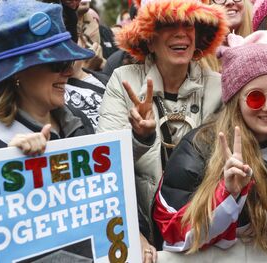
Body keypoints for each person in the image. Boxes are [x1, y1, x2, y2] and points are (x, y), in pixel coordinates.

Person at [154, 42, 267, 254]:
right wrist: (227, 193)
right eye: (255, 97)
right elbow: (171, 235)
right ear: (234, 102)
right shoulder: (198, 148)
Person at [96, 0, 228, 257]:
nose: (181, 32)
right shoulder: (123, 81)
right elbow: (105, 167)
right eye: (168, 24)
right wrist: (139, 137)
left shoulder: (219, 87)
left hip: (203, 234)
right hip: (146, 236)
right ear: (148, 39)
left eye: (188, 24)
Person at [0, 0, 95, 156]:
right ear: (16, 71)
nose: (69, 72)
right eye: (58, 64)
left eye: (69, 61)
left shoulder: (78, 120)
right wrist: (9, 162)